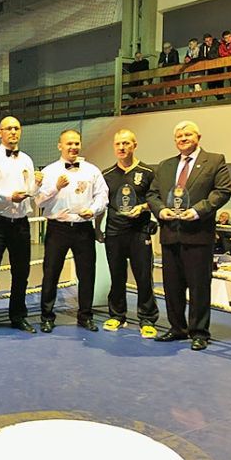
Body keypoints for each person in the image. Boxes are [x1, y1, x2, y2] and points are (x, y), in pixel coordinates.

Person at [146, 120, 231, 351]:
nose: (183, 139)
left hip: (198, 234)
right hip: (170, 233)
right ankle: (177, 328)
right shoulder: (165, 165)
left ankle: (199, 332)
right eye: (179, 136)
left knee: (199, 286)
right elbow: (152, 194)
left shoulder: (215, 160)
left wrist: (197, 211)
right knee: (172, 286)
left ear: (198, 137)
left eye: (188, 135)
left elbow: (223, 191)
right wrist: (160, 210)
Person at [36, 129, 108, 333]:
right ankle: (46, 316)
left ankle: (85, 316)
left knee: (87, 274)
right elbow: (39, 201)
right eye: (69, 143)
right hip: (57, 228)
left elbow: (103, 195)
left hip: (83, 228)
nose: (73, 147)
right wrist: (56, 187)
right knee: (51, 273)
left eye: (76, 143)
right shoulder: (49, 171)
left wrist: (93, 210)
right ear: (60, 146)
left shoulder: (92, 170)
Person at [0, 116, 41, 336]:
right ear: (0, 132)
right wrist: (8, 197)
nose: (13, 132)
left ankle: (18, 316)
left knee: (21, 273)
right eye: (9, 128)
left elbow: (30, 191)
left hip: (21, 223)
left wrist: (37, 185)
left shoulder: (27, 160)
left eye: (16, 128)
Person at [98, 130, 159, 337]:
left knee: (144, 277)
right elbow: (102, 204)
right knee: (117, 276)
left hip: (139, 232)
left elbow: (156, 200)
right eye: (118, 144)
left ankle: (147, 319)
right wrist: (97, 228)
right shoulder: (106, 174)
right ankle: (117, 315)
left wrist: (143, 207)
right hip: (114, 232)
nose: (121, 147)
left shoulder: (148, 172)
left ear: (134, 145)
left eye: (126, 143)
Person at [198, 33, 224, 98]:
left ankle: (221, 98)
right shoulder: (202, 47)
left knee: (219, 84)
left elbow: (216, 55)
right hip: (210, 69)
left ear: (212, 39)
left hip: (218, 67)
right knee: (211, 85)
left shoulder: (217, 44)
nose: (208, 42)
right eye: (206, 41)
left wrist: (207, 56)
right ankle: (219, 98)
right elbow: (201, 57)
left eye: (210, 40)